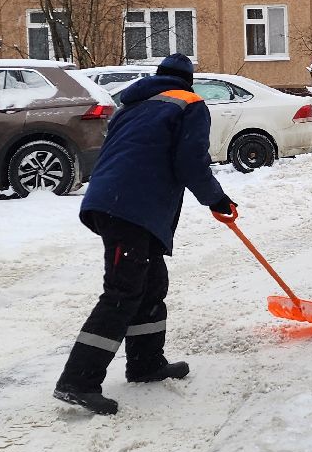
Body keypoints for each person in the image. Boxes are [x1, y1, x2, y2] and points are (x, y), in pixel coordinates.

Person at [55, 53, 234, 416]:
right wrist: (217, 199)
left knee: (151, 283)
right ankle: (78, 381)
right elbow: (190, 162)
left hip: (116, 202)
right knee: (123, 291)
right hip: (131, 207)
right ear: (188, 81)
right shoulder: (189, 104)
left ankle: (146, 363)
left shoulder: (133, 105)